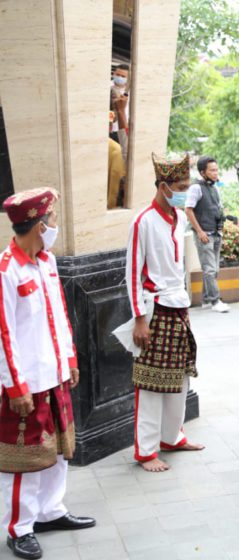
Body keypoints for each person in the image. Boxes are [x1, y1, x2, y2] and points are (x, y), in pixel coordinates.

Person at [0, 188, 96, 560]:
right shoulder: (7, 270)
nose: (55, 224)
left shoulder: (46, 262)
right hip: (26, 382)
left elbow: (58, 315)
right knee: (23, 459)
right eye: (52, 219)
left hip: (54, 373)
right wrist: (15, 386)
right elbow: (4, 335)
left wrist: (69, 359)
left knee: (58, 450)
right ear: (40, 225)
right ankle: (20, 527)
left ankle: (51, 511)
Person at [127, 154, 205, 473]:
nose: (185, 192)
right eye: (181, 187)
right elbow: (132, 273)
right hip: (154, 309)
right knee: (150, 383)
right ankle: (146, 451)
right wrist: (139, 319)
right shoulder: (143, 221)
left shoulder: (179, 217)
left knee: (181, 377)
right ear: (163, 186)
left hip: (179, 306)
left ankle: (172, 437)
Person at [185, 156, 229, 313]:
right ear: (202, 172)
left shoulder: (215, 188)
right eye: (212, 170)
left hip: (216, 233)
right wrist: (199, 231)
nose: (216, 173)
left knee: (213, 269)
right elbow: (188, 209)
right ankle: (216, 301)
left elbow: (217, 208)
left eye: (216, 170)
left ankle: (205, 300)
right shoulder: (195, 188)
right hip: (204, 234)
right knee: (210, 269)